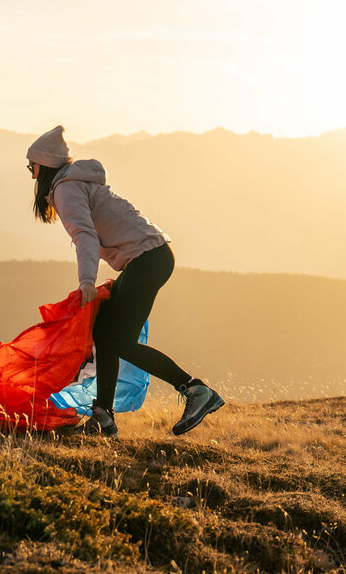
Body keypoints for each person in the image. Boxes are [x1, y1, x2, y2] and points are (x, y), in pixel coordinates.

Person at [26, 125, 224, 437]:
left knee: (119, 340)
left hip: (148, 259)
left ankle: (197, 391)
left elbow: (85, 235)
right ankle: (103, 416)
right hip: (151, 256)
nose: (32, 174)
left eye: (32, 167)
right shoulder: (73, 183)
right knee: (105, 332)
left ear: (44, 165)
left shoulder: (66, 188)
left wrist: (87, 281)